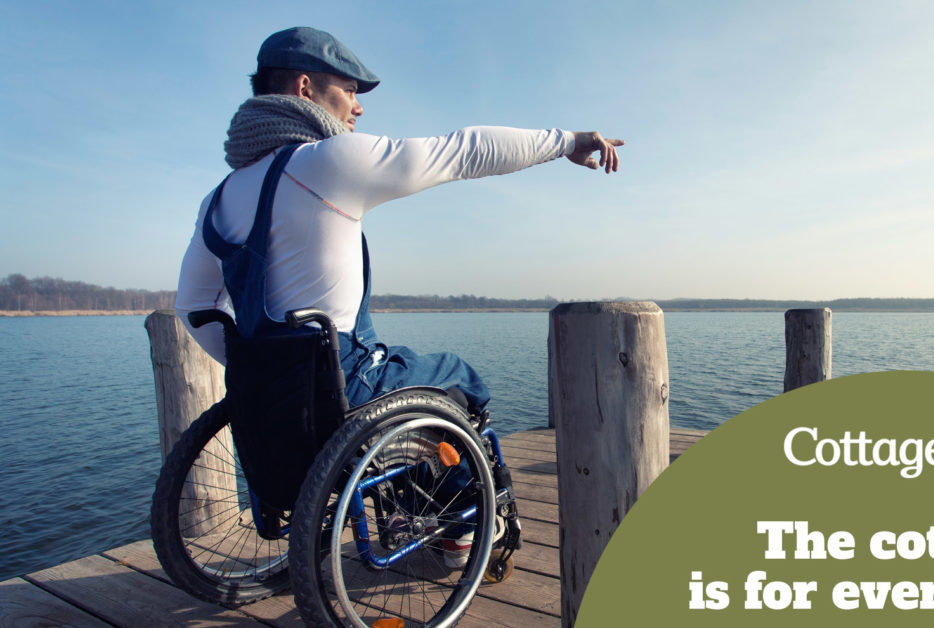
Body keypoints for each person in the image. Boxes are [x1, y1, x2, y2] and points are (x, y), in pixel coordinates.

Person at [176, 27, 622, 412]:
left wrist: (267, 371)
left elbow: (193, 306)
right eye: (349, 90)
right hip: (346, 384)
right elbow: (467, 151)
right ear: (305, 87)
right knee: (463, 379)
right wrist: (567, 141)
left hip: (270, 398)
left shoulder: (218, 198)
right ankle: (454, 507)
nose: (359, 106)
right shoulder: (327, 161)